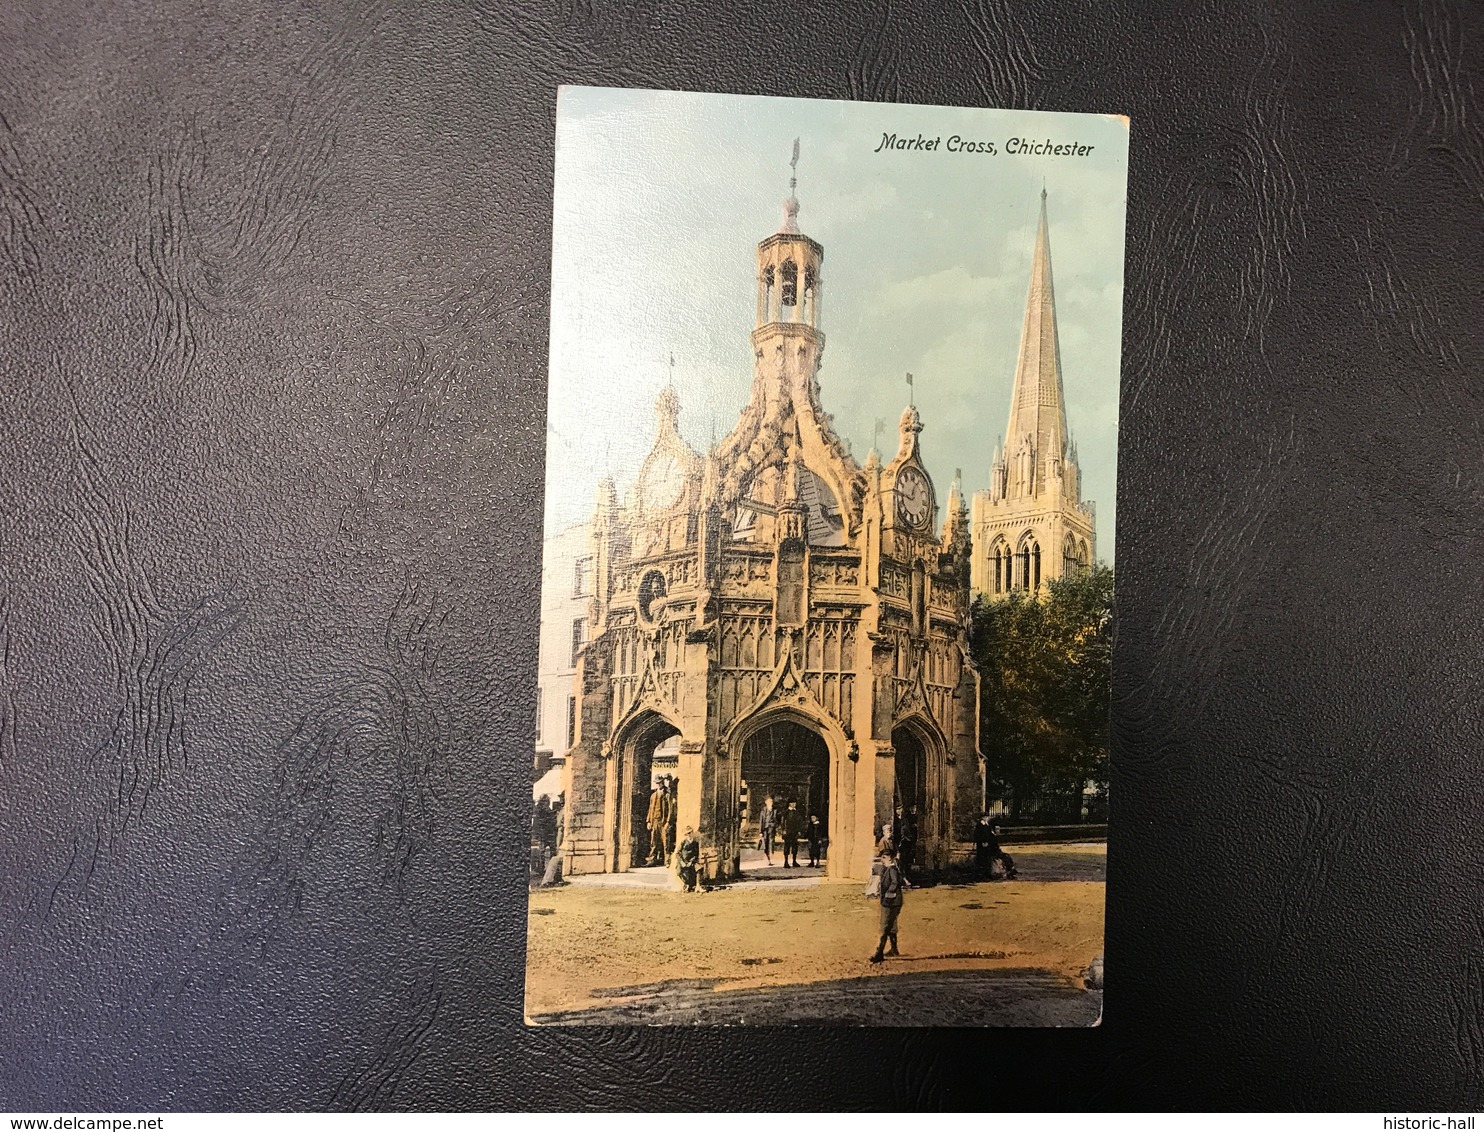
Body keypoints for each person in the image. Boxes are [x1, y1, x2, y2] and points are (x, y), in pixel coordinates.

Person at [869, 845, 909, 963]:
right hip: (893, 902)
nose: (882, 860)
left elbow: (895, 883)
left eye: (884, 858)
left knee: (885, 927)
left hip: (891, 902)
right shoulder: (889, 869)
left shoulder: (892, 870)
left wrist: (888, 894)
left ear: (890, 858)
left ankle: (879, 952)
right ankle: (894, 949)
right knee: (891, 926)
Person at [974, 814, 1017, 879]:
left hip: (989, 847)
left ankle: (1007, 870)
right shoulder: (984, 824)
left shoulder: (986, 825)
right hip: (987, 847)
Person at [645, 779, 668, 865]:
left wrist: (668, 821)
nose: (658, 784)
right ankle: (652, 859)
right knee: (653, 840)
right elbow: (650, 809)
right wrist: (648, 821)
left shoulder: (666, 795)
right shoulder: (653, 795)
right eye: (657, 783)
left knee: (665, 841)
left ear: (663, 783)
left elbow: (669, 809)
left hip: (663, 821)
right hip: (654, 820)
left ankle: (666, 861)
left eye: (660, 783)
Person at [675, 826, 700, 892]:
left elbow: (696, 854)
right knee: (679, 872)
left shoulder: (695, 843)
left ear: (692, 833)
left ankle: (697, 885)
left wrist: (691, 861)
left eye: (690, 833)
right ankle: (685, 884)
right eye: (687, 834)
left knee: (698, 868)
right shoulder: (683, 842)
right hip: (683, 861)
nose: (689, 835)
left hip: (690, 861)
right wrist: (681, 861)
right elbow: (677, 853)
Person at [781, 799, 805, 867]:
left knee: (795, 846)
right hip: (788, 831)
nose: (794, 804)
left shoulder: (797, 812)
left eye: (795, 803)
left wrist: (799, 830)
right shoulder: (786, 812)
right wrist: (783, 830)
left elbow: (799, 822)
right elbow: (783, 822)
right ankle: (786, 862)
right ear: (789, 804)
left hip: (795, 832)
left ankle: (794, 861)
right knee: (787, 846)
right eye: (792, 803)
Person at [757, 794, 778, 863]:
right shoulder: (763, 811)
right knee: (766, 843)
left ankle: (771, 857)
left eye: (771, 802)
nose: (771, 803)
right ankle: (767, 857)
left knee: (771, 843)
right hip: (765, 829)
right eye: (769, 802)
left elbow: (777, 820)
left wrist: (775, 826)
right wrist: (760, 832)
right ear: (766, 802)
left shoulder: (775, 810)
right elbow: (761, 821)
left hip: (772, 829)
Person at [898, 805, 918, 873]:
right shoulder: (901, 819)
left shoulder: (905, 819)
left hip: (907, 839)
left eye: (900, 809)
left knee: (907, 856)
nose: (900, 810)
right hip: (902, 839)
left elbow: (907, 828)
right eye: (898, 809)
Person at [664, 776, 679, 864]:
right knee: (669, 838)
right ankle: (668, 859)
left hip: (674, 820)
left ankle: (669, 858)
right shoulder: (669, 796)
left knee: (670, 837)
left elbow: (672, 809)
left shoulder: (674, 796)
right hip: (671, 820)